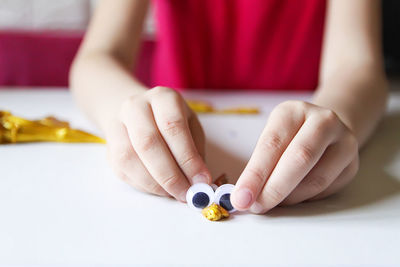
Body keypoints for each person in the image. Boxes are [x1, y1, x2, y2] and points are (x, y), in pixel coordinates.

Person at [70, 0, 388, 214]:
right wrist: (126, 114)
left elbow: (358, 64)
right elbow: (97, 57)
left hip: (305, 116)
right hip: (181, 121)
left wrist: (337, 120)